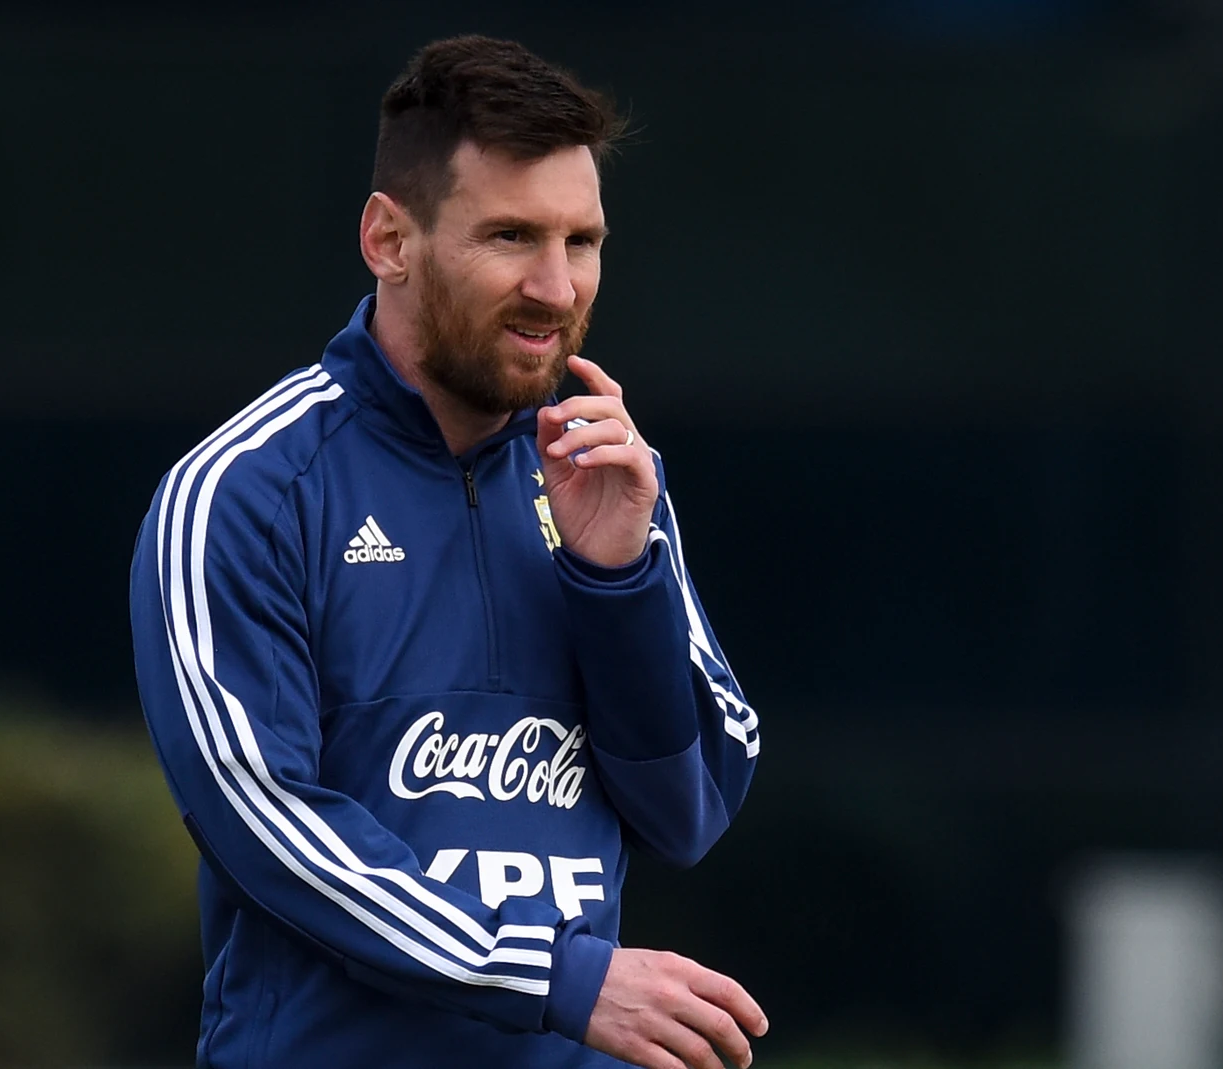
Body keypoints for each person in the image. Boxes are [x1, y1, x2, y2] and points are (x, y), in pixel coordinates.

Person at [129, 34, 765, 1069]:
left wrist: (618, 581)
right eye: (511, 236)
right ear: (389, 240)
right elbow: (266, 823)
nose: (556, 289)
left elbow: (687, 811)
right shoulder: (246, 490)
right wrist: (556, 977)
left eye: (583, 241)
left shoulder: (609, 478)